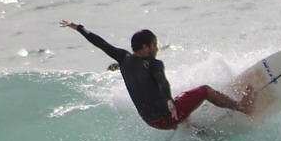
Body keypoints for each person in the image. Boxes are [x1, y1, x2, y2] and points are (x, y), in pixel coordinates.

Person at [60, 20, 254, 130]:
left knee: (181, 100)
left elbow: (101, 43)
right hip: (166, 118)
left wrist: (79, 28)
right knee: (204, 91)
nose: (157, 48)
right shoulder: (154, 63)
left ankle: (194, 130)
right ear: (145, 47)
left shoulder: (123, 58)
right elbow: (162, 81)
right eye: (154, 44)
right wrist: (169, 100)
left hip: (151, 121)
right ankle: (242, 107)